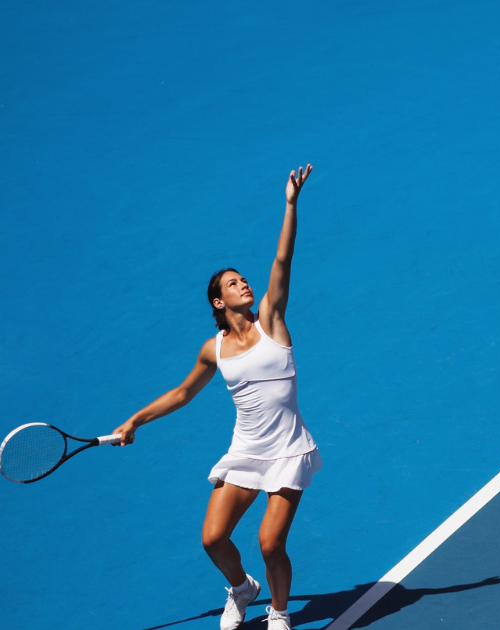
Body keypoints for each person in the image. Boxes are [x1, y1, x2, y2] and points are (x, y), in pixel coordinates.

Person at [113, 165, 319, 630]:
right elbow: (183, 392)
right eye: (233, 284)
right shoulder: (215, 349)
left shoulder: (273, 320)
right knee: (213, 539)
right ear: (218, 303)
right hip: (246, 452)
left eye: (243, 279)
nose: (244, 284)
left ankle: (280, 613)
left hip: (288, 450)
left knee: (270, 544)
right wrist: (135, 421)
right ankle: (243, 588)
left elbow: (282, 264)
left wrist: (290, 204)